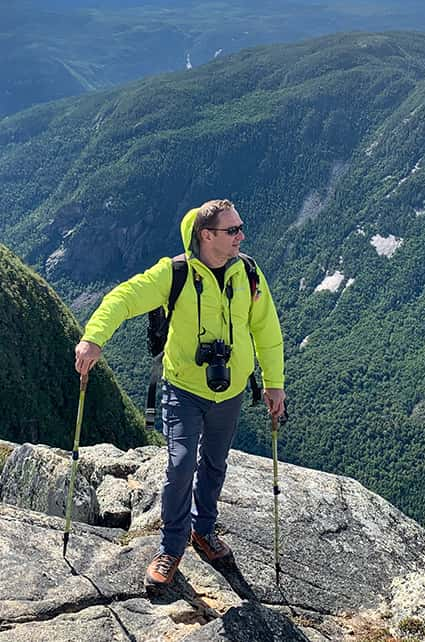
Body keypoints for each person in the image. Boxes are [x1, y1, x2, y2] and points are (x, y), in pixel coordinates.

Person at [75, 199, 285, 593]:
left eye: (240, 228)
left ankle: (203, 530)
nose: (242, 236)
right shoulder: (174, 273)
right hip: (183, 389)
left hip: (231, 391)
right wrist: (93, 337)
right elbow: (124, 297)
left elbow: (266, 330)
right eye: (233, 230)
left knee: (215, 463)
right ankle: (171, 547)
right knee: (181, 464)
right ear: (207, 236)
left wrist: (274, 384)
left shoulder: (249, 275)